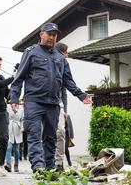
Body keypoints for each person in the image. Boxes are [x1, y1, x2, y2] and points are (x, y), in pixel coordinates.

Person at [10, 23, 92, 174]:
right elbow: (19, 77)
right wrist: (14, 98)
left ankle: (49, 167)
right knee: (34, 134)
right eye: (49, 34)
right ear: (41, 35)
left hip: (53, 103)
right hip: (33, 101)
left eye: (54, 35)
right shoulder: (31, 52)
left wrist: (82, 95)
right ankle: (38, 167)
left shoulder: (60, 57)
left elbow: (68, 81)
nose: (52, 37)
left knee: (50, 137)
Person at [53, 42, 71, 172]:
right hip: (45, 104)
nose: (68, 55)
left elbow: (64, 91)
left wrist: (65, 109)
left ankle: (59, 163)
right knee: (46, 134)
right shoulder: (49, 64)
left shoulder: (64, 67)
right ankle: (45, 163)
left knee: (61, 132)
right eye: (66, 53)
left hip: (58, 105)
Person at [5, 99, 24, 173]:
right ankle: (8, 164)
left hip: (18, 129)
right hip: (9, 128)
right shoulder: (8, 107)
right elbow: (8, 116)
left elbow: (22, 119)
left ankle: (16, 165)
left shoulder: (21, 108)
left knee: (16, 149)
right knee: (9, 147)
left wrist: (22, 127)